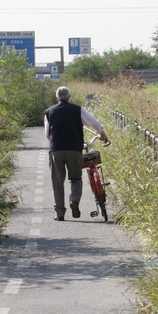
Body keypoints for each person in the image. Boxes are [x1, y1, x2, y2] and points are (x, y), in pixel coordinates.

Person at [44, 86, 108, 221]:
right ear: (69, 97)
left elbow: (47, 134)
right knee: (76, 179)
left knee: (57, 181)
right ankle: (74, 200)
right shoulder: (78, 110)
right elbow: (95, 124)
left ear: (57, 98)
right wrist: (102, 134)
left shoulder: (49, 112)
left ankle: (59, 212)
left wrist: (56, 143)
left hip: (56, 150)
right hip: (74, 149)